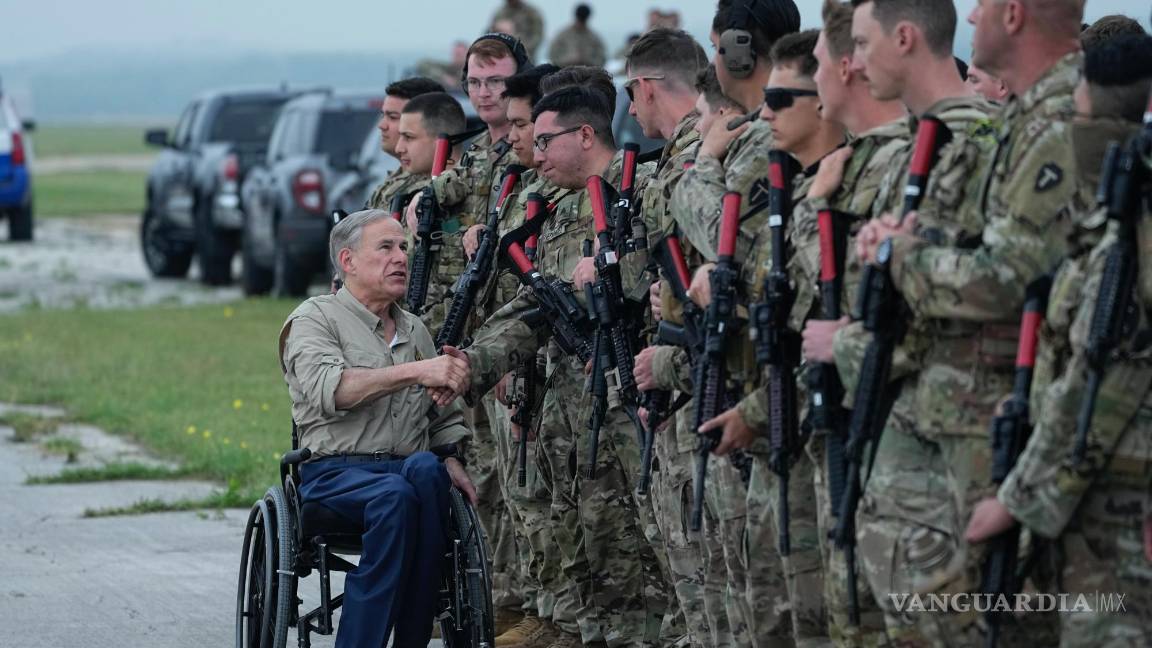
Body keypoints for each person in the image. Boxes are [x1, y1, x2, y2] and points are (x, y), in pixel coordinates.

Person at [842, 0, 1083, 643]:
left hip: (1015, 411)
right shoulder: (1026, 120)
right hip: (978, 407)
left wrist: (900, 255)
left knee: (1001, 616)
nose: (970, 17)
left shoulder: (1056, 121)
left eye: (982, 6)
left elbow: (1011, 276)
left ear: (1013, 14)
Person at [966, 33, 1152, 647]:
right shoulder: (1111, 221)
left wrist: (1017, 500)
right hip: (1087, 501)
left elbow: (1107, 376)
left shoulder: (1131, 231)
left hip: (1116, 516)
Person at [463, 85, 666, 648]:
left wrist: (611, 270)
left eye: (546, 138)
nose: (535, 149)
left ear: (584, 135)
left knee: (642, 533)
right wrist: (472, 364)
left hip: (634, 389)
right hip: (571, 394)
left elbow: (658, 274)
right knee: (586, 525)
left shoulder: (641, 189)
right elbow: (538, 301)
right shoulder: (552, 207)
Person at [279, 209, 476, 648]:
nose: (401, 257)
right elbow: (335, 391)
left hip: (406, 472)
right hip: (335, 475)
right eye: (385, 247)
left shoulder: (413, 329)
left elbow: (441, 417)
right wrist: (416, 371)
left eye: (403, 247)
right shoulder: (315, 320)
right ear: (347, 261)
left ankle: (412, 639)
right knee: (397, 496)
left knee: (427, 473)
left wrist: (451, 456)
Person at [670, 2, 800, 645]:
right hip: (748, 374)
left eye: (718, 44)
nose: (713, 55)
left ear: (743, 49)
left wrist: (700, 163)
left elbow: (721, 239)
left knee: (763, 584)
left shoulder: (757, 140)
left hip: (764, 379)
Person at [621, 26, 713, 648]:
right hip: (679, 373)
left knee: (696, 553)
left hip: (690, 380)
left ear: (648, 87)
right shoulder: (691, 153)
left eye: (632, 94)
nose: (630, 109)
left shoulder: (691, 161)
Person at [366, 77, 445, 210]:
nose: (381, 125)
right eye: (383, 116)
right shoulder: (395, 180)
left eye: (393, 117)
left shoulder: (439, 190)